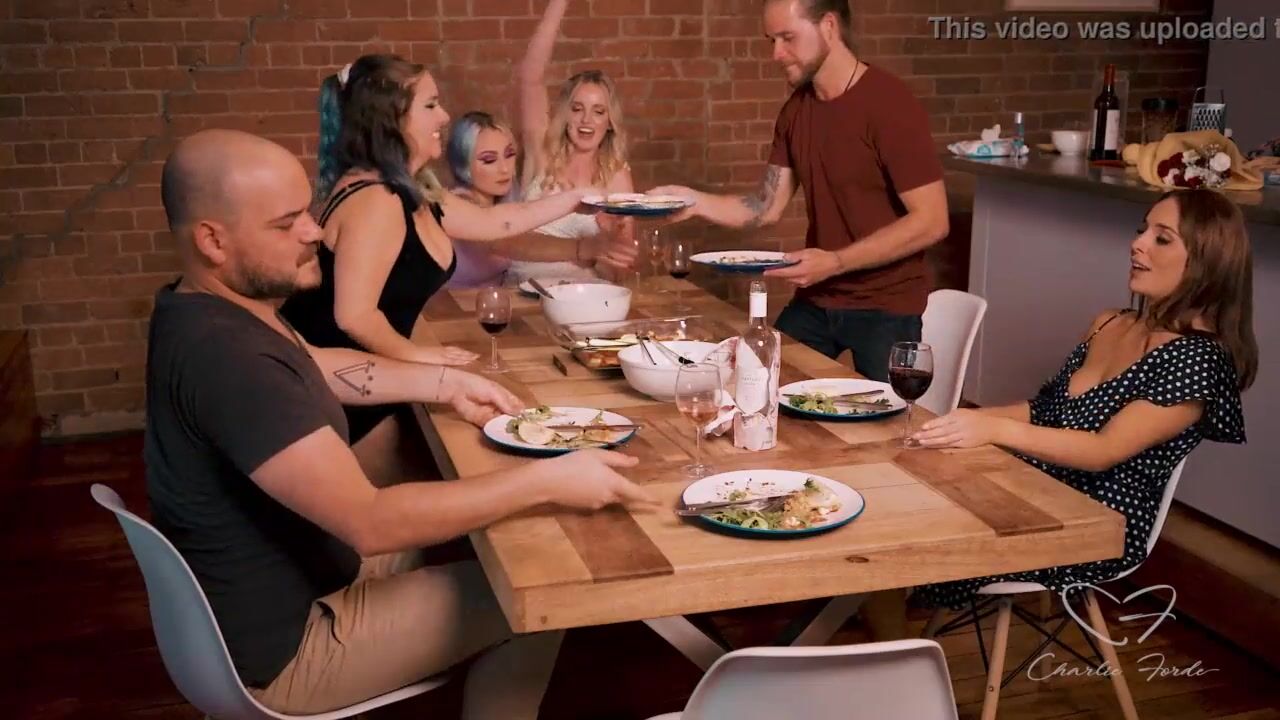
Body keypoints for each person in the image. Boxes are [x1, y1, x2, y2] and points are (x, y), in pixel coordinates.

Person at [146, 128, 657, 716]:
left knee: (502, 541)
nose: (315, 231)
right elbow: (370, 521)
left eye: (307, 211)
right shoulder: (230, 359)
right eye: (286, 224)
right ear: (212, 239)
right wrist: (550, 479)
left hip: (299, 574)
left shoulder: (208, 310)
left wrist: (446, 384)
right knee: (544, 588)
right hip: (290, 645)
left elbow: (316, 365)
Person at [912, 190, 1255, 608]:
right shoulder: (1110, 322)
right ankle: (883, 637)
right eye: (1142, 230)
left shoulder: (1198, 360)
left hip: (1093, 525)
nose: (1138, 243)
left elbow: (1102, 451)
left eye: (1162, 238)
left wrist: (992, 428)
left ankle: (885, 634)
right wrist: (954, 421)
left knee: (918, 529)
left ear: (1207, 263)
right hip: (1032, 486)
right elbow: (1046, 410)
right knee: (909, 493)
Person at [279, 54, 604, 452]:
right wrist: (419, 356)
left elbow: (496, 222)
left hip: (377, 382)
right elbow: (354, 315)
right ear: (393, 119)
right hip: (333, 401)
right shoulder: (376, 199)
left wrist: (577, 199)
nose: (445, 116)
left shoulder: (411, 187)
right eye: (431, 105)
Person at [650, 0, 950, 382]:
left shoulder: (889, 104)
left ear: (829, 26)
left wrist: (836, 261)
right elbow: (765, 207)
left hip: (887, 306)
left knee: (889, 417)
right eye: (771, 40)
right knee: (757, 383)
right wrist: (693, 201)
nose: (776, 54)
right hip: (818, 298)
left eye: (788, 38)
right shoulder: (796, 111)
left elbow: (932, 221)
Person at [510, 0, 637, 284]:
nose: (586, 120)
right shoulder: (542, 151)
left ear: (609, 122)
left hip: (586, 295)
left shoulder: (616, 173)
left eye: (598, 112)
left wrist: (612, 237)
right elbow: (530, 77)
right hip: (524, 292)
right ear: (565, 114)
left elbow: (618, 273)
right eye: (577, 109)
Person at [443, 110, 637, 288]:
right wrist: (584, 246)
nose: (505, 168)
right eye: (489, 160)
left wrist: (610, 235)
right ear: (463, 164)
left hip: (490, 304)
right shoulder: (461, 202)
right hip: (451, 309)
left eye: (509, 154)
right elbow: (507, 241)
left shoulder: (505, 197)